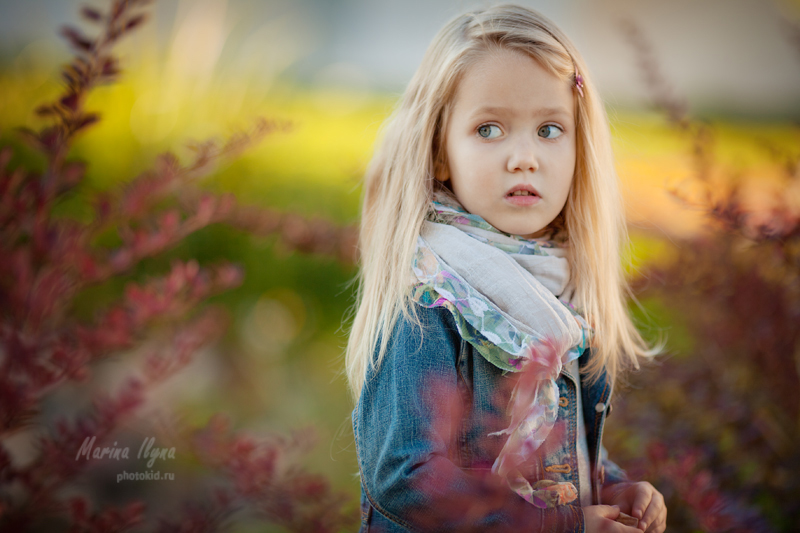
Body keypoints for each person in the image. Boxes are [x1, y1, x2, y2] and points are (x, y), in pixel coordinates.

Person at [346, 4, 667, 532]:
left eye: (549, 129)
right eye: (490, 128)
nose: (524, 157)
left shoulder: (562, 289)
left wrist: (611, 487)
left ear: (579, 148)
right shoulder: (432, 296)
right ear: (440, 152)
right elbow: (405, 477)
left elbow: (558, 448)